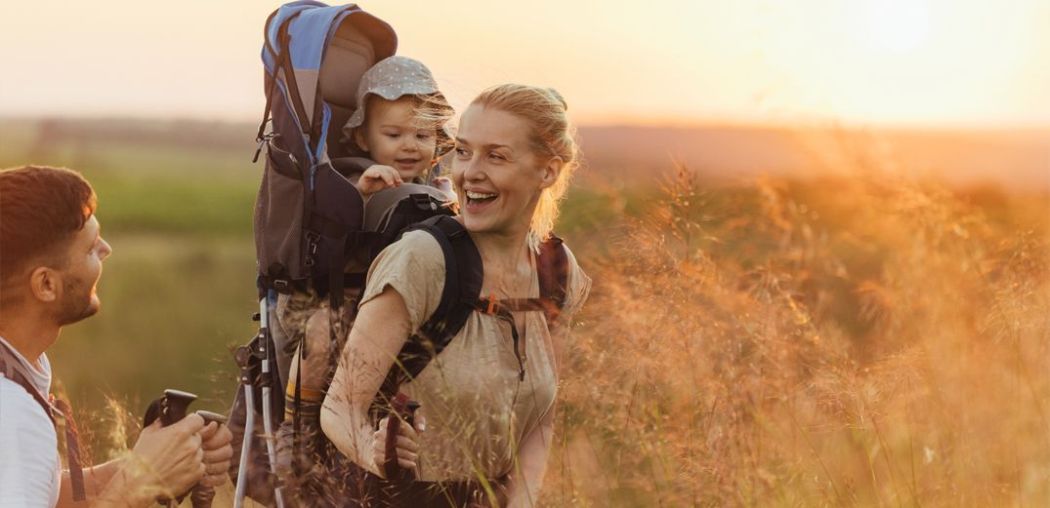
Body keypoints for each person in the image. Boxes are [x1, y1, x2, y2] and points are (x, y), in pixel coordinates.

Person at [320, 84, 591, 506]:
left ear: (548, 172)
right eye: (463, 152)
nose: (468, 173)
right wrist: (376, 453)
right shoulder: (422, 259)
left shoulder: (556, 270)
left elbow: (540, 419)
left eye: (496, 156)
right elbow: (339, 406)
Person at [268, 54, 456, 505]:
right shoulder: (352, 179)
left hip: (403, 310)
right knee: (319, 332)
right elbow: (320, 258)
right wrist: (356, 200)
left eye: (423, 135)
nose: (410, 146)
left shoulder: (442, 191)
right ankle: (298, 431)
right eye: (393, 135)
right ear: (362, 136)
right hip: (337, 302)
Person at [0, 165, 234, 507]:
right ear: (46, 284)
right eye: (91, 248)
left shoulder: (16, 372)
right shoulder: (14, 414)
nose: (106, 249)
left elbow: (35, 492)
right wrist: (138, 484)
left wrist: (154, 464)